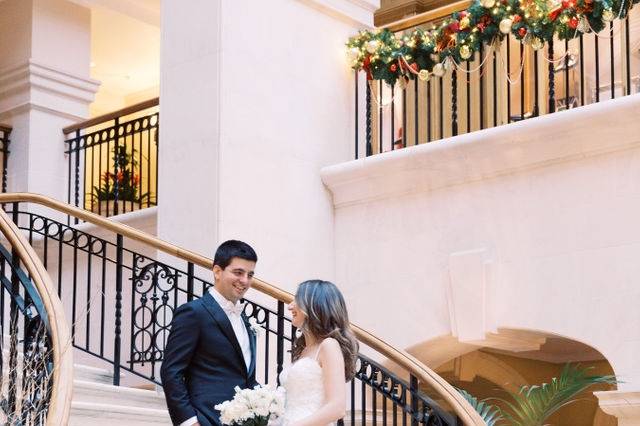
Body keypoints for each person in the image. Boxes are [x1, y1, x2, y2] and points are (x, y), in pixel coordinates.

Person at [161, 240, 259, 426]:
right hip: (206, 418)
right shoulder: (193, 312)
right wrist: (189, 421)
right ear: (217, 271)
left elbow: (243, 376)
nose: (245, 281)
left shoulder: (245, 320)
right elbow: (171, 371)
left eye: (250, 274)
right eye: (238, 272)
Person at [279, 280, 359, 425]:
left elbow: (337, 407)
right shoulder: (304, 350)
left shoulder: (329, 346)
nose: (290, 305)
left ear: (314, 306)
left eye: (297, 299)